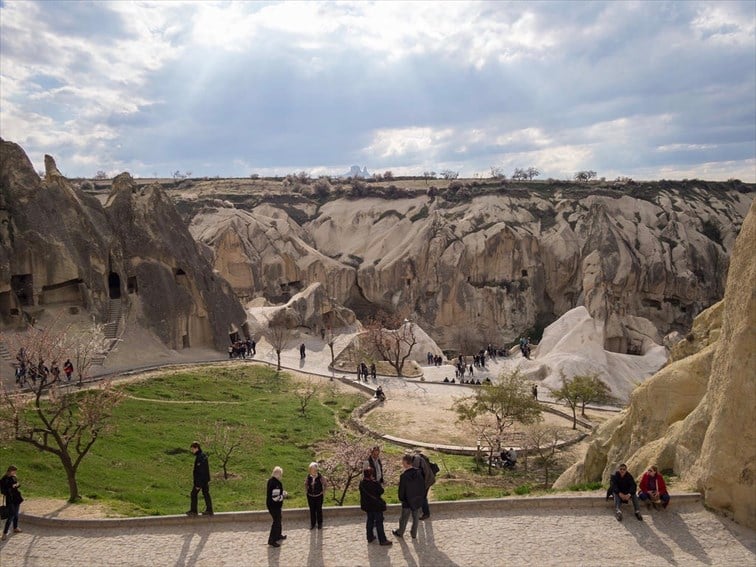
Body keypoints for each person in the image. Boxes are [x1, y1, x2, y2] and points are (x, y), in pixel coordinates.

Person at [393, 454, 425, 539]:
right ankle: (414, 533)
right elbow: (422, 486)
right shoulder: (419, 472)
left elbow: (402, 490)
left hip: (407, 501)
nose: (402, 463)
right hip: (417, 500)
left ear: (406, 462)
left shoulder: (404, 476)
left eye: (403, 462)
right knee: (416, 518)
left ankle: (400, 532)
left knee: (403, 518)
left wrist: (401, 498)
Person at [359, 467, 392, 545]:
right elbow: (381, 491)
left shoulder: (362, 483)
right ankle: (382, 540)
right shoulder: (375, 483)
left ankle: (369, 537)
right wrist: (377, 482)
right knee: (379, 523)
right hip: (376, 506)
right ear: (371, 474)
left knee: (370, 520)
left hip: (367, 506)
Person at [187, 442, 213, 516]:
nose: (192, 451)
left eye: (192, 449)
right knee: (206, 494)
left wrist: (198, 484)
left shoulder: (200, 457)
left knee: (193, 494)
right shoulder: (203, 456)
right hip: (205, 480)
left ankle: (194, 511)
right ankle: (209, 510)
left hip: (201, 480)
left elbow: (200, 471)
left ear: (196, 448)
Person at [412, 450, 436, 520]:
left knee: (423, 497)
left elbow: (416, 472)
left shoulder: (416, 460)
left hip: (427, 481)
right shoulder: (418, 458)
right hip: (428, 479)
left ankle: (426, 513)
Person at [1, 465, 23, 541]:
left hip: (16, 498)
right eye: (14, 471)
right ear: (10, 470)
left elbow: (18, 484)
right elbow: (3, 491)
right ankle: (4, 533)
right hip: (10, 499)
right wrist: (11, 487)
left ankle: (15, 527)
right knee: (11, 515)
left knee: (16, 514)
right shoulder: (4, 479)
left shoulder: (14, 477)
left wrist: (17, 485)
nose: (15, 472)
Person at [267, 466, 287, 547]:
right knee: (276, 522)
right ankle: (272, 540)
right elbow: (276, 498)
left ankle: (278, 535)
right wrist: (284, 495)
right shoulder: (277, 483)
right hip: (274, 506)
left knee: (278, 520)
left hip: (271, 505)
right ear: (279, 474)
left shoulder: (270, 481)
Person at [305, 462, 327, 530]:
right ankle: (313, 523)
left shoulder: (320, 477)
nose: (313, 471)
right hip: (310, 496)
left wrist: (323, 491)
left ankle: (320, 523)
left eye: (315, 469)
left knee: (319, 510)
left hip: (319, 496)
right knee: (312, 510)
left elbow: (325, 484)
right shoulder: (308, 477)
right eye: (312, 469)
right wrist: (306, 491)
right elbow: (305, 484)